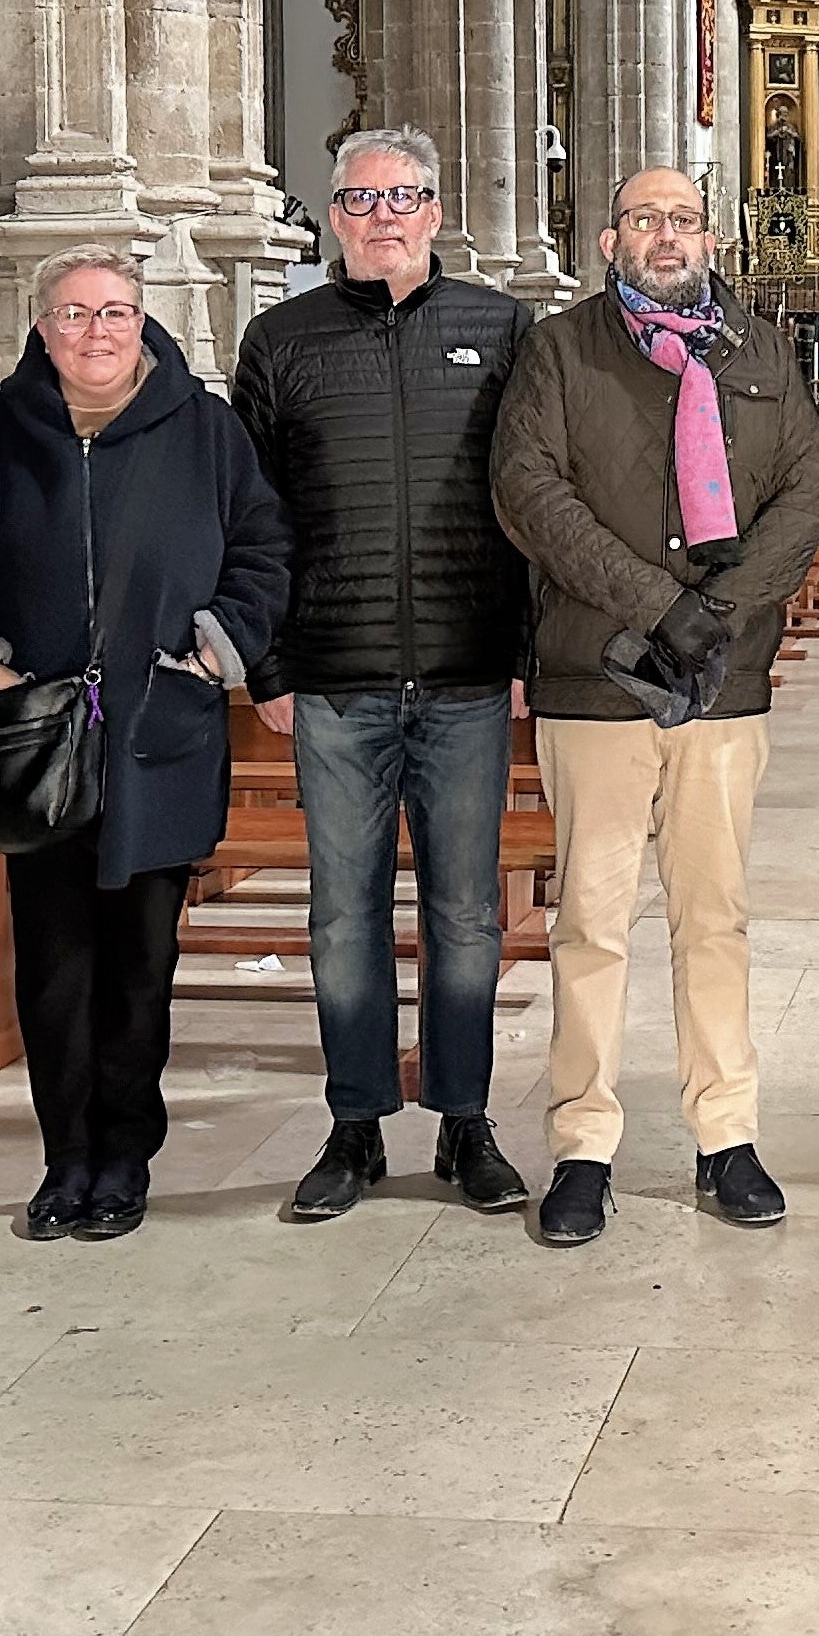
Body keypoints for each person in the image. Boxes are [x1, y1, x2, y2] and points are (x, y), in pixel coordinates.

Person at [491, 168, 819, 1246]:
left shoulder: (759, 352)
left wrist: (714, 614)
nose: (666, 235)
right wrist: (657, 605)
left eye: (683, 219)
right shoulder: (560, 350)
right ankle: (582, 1143)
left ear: (710, 237)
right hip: (596, 675)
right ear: (610, 240)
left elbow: (806, 492)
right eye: (645, 219)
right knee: (591, 920)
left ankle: (725, 1134)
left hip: (720, 683)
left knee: (713, 916)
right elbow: (529, 491)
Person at [232, 129, 538, 1221]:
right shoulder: (281, 338)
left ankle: (466, 1120)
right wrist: (267, 660)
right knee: (342, 918)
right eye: (359, 199)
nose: (382, 216)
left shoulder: (500, 329)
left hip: (465, 674)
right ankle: (355, 1123)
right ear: (332, 215)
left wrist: (525, 654)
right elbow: (251, 514)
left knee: (465, 915)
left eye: (402, 196)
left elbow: (530, 503)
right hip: (333, 675)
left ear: (435, 210)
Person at [0, 246, 290, 1240]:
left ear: (142, 321)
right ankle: (64, 1157)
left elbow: (262, 548)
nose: (94, 331)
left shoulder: (204, 429)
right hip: (39, 738)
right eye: (72, 313)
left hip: (158, 728)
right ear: (41, 327)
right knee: (53, 962)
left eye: (113, 311)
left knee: (142, 962)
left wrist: (214, 649)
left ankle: (124, 1156)